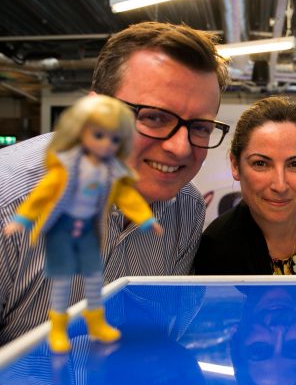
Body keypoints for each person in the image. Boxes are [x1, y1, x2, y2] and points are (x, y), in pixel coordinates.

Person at [0, 21, 230, 345]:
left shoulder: (187, 208)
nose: (181, 147)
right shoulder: (8, 207)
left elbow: (159, 340)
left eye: (201, 127)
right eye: (153, 117)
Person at [3, 95, 163, 353]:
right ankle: (57, 328)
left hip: (90, 232)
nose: (106, 144)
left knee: (93, 278)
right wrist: (21, 220)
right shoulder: (64, 167)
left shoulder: (113, 170)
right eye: (99, 135)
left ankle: (95, 321)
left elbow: (127, 197)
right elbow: (41, 196)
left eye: (114, 139)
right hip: (62, 231)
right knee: (62, 282)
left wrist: (146, 219)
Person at [194, 97, 296, 275]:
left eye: (295, 164)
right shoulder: (217, 247)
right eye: (261, 164)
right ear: (235, 165)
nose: (280, 185)